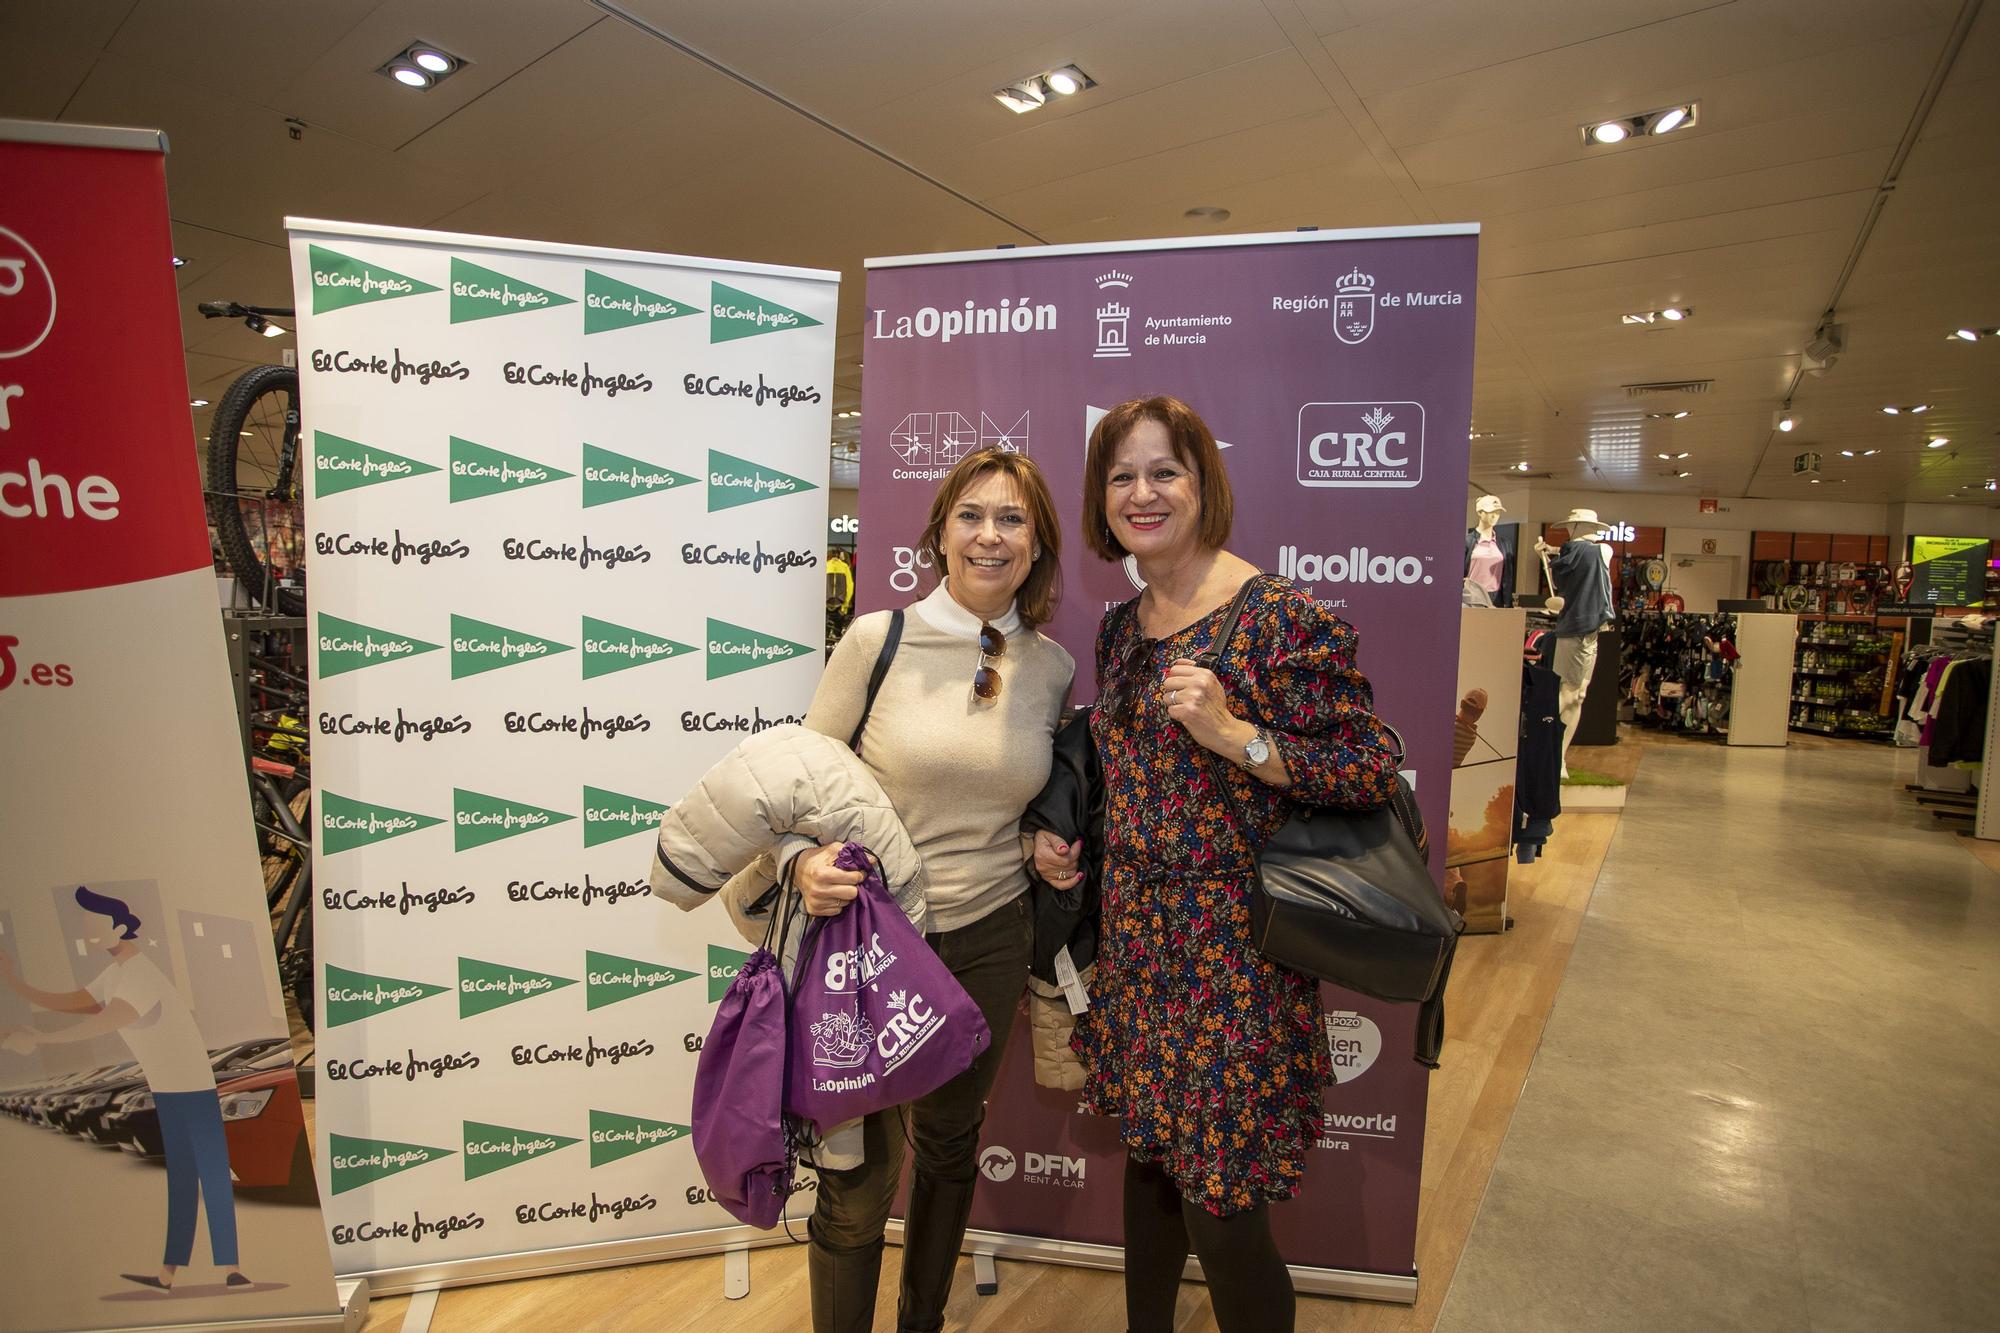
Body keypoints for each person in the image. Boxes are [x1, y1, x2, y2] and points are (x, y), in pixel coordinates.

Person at [1034, 396, 1399, 1333]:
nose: (1142, 493)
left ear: (1205, 482)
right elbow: (1134, 776)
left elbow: (1367, 768)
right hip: (1139, 945)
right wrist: (1075, 837)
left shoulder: (1275, 615)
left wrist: (1238, 735)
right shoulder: (1122, 626)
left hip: (1236, 953)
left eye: (1165, 471)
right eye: (1121, 475)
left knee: (1225, 1213)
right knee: (1152, 1170)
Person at [786, 447, 1075, 1333]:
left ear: (1037, 546)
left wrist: (1040, 844)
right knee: (858, 1181)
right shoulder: (879, 640)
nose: (991, 535)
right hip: (870, 942)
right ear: (941, 533)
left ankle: (922, 1322)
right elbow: (799, 781)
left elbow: (1012, 793)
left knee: (950, 1147)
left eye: (1013, 519)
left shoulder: (1052, 667)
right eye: (972, 516)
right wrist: (801, 862)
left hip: (988, 939)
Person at [0, 887, 251, 1293]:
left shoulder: (140, 975)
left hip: (193, 1088)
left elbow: (104, 1020)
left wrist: (39, 1039)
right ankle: (171, 1275)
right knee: (184, 1179)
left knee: (211, 1176)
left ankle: (230, 1269)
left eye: (93, 923)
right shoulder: (115, 973)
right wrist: (15, 984)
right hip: (169, 1091)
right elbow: (76, 1001)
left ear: (118, 928)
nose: (85, 929)